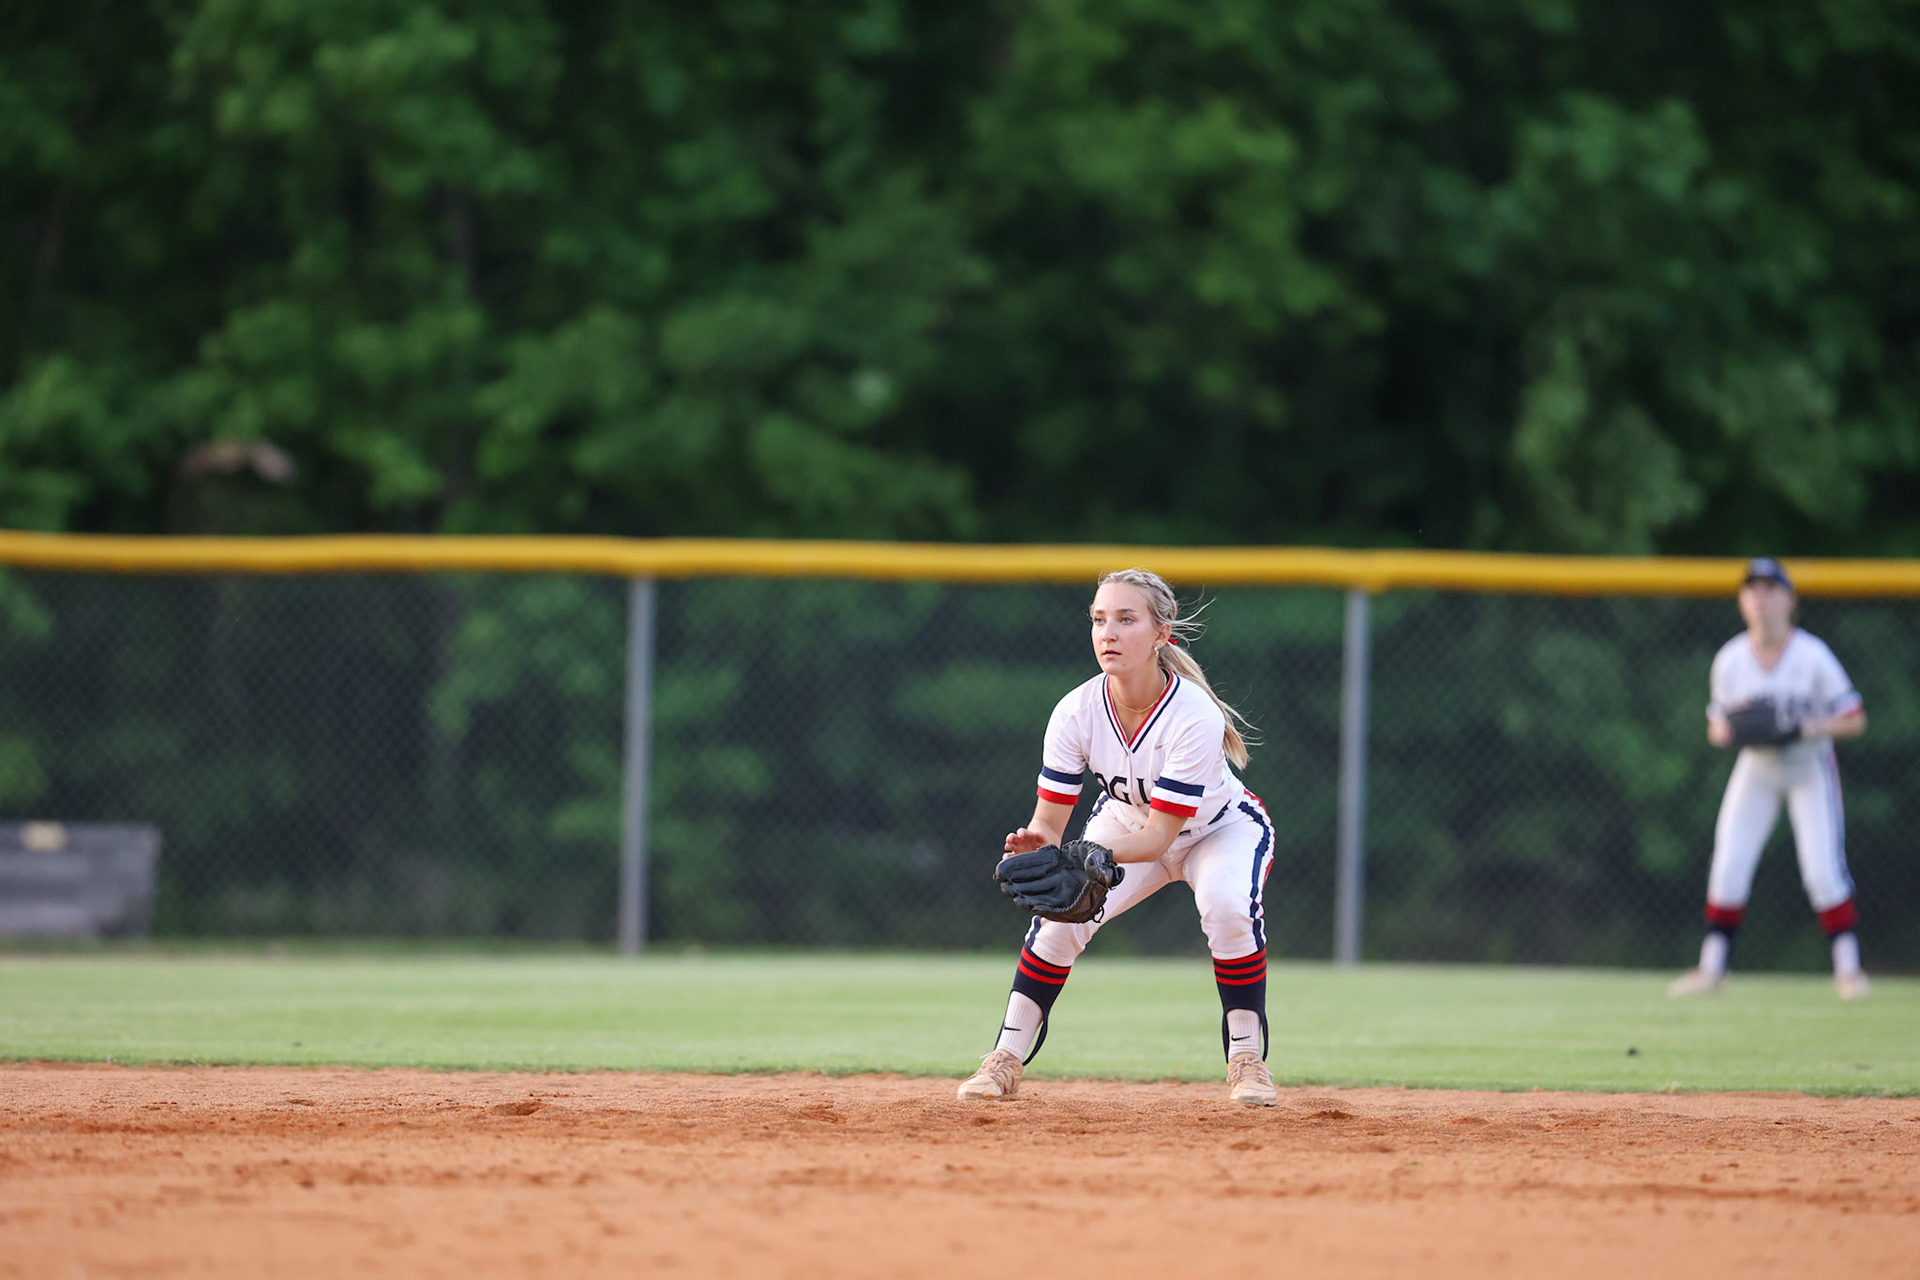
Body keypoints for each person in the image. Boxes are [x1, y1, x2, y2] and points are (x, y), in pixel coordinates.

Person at [956, 568, 1279, 1106]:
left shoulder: (1192, 713)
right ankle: (1004, 1060)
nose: (1109, 632)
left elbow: (1161, 837)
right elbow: (1050, 825)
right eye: (1100, 619)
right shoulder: (1075, 711)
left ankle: (1247, 1061)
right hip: (1127, 821)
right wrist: (1040, 846)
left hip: (1219, 828)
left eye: (1127, 619)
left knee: (1227, 909)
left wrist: (1086, 855)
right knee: (1058, 923)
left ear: (1161, 634)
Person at [1668, 558, 1870, 1000]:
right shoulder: (1731, 660)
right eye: (1752, 590)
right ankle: (1711, 969)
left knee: (1821, 869)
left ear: (1789, 599)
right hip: (1757, 768)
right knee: (1729, 863)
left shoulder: (1811, 655)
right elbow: (1717, 726)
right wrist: (1733, 731)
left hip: (1807, 765)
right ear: (1742, 601)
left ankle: (1849, 971)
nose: (1760, 599)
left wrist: (1805, 726)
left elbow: (1854, 719)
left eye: (1769, 589)